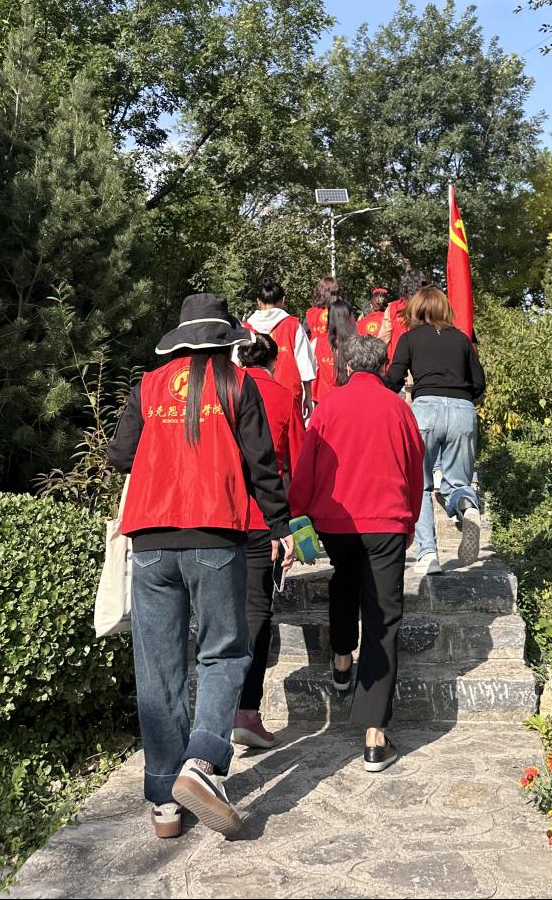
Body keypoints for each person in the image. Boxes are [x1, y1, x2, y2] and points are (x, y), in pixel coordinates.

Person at [109, 293, 295, 840]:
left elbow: (120, 457)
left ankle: (165, 803)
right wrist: (282, 527)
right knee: (224, 651)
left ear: (181, 340)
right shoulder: (238, 385)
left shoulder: (147, 386)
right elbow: (263, 466)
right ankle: (202, 761)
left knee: (158, 665)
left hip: (150, 538)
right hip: (215, 532)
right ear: (225, 341)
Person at [289, 334, 424, 773]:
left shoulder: (328, 406)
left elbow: (307, 464)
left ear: (347, 367)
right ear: (384, 366)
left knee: (344, 582)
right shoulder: (398, 408)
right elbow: (415, 467)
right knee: (383, 618)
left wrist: (297, 513)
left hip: (337, 521)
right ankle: (374, 736)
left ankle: (342, 658)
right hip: (386, 519)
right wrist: (410, 520)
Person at [232, 332, 306, 752]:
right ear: (274, 362)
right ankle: (246, 711)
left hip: (218, 514)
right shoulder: (282, 395)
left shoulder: (222, 392)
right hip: (263, 518)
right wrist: (292, 523)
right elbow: (298, 459)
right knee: (257, 610)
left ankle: (216, 710)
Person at [385, 285, 486, 576]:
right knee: (457, 482)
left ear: (416, 309)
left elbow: (394, 379)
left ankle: (428, 553)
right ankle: (466, 506)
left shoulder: (409, 338)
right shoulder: (462, 339)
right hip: (463, 411)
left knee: (420, 484)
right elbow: (479, 384)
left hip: (425, 410)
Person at [245, 278, 317, 417]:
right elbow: (305, 364)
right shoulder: (293, 325)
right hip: (288, 395)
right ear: (283, 301)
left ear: (258, 302)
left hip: (253, 396)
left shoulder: (247, 328)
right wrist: (308, 397)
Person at [310, 297, 357, 403]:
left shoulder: (317, 342)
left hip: (322, 400)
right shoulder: (357, 345)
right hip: (348, 399)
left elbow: (310, 371)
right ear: (349, 318)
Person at [377, 269, 430, 363]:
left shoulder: (393, 308)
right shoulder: (430, 306)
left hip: (399, 362)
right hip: (425, 361)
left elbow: (383, 339)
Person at [303, 275, 340, 341]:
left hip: (315, 346)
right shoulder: (339, 310)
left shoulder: (310, 312)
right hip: (334, 346)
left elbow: (305, 335)